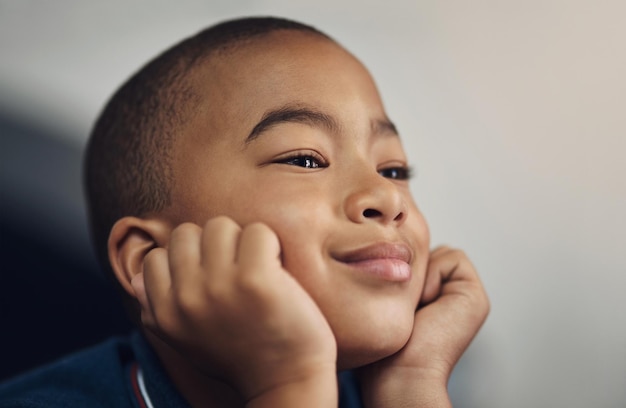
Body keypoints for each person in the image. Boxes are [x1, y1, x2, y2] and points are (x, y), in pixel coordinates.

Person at [0, 16, 489, 407]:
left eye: (395, 169)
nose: (387, 197)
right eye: (305, 159)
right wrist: (288, 387)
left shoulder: (409, 388)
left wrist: (412, 384)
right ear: (150, 258)